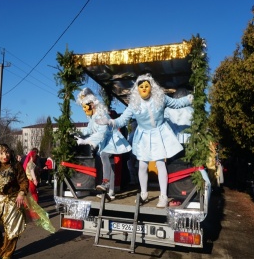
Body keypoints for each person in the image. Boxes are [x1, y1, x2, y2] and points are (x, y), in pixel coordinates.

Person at [97, 73, 193, 208]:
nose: (143, 88)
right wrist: (110, 122)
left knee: (160, 163)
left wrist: (189, 99)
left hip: (159, 133)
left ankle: (163, 196)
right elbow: (122, 120)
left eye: (146, 86)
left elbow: (176, 103)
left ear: (151, 87)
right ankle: (143, 193)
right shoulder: (134, 104)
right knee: (142, 165)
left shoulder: (161, 98)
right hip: (143, 136)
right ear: (137, 89)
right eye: (140, 86)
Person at [75, 88, 131, 200]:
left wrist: (86, 141)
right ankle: (110, 191)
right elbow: (89, 130)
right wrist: (78, 133)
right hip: (104, 141)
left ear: (92, 104)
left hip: (111, 140)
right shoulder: (93, 117)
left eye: (85, 106)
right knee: (109, 163)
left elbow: (102, 132)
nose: (84, 109)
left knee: (104, 156)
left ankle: (106, 184)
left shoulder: (100, 115)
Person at [0, 143, 29, 259]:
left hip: (13, 200)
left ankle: (7, 254)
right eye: (1, 153)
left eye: (6, 152)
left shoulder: (16, 166)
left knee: (12, 230)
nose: (5, 155)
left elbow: (24, 182)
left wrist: (21, 193)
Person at [127, 119, 139, 185]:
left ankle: (136, 180)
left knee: (136, 166)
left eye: (134, 124)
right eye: (132, 124)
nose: (132, 125)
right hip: (131, 152)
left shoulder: (137, 133)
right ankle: (133, 179)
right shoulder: (131, 133)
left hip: (136, 152)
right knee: (130, 166)